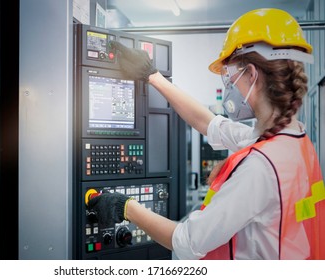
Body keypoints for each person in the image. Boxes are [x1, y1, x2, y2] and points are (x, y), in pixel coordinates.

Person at [87, 8, 325, 259]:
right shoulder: (293, 140)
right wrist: (152, 76)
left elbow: (187, 240)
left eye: (229, 76)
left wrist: (125, 207)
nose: (229, 85)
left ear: (252, 74)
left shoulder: (260, 166)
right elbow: (208, 123)